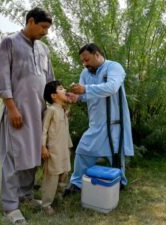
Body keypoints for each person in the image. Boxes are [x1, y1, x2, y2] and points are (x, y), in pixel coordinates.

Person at [0, 7, 54, 224]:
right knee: (11, 158)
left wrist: (59, 105)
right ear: (30, 21)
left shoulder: (44, 50)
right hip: (16, 112)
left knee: (32, 156)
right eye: (43, 27)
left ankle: (26, 196)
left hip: (38, 111)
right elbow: (1, 78)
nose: (46, 32)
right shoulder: (9, 42)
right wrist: (11, 108)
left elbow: (49, 84)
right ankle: (10, 206)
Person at [64, 43, 134, 195]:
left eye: (87, 60)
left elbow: (112, 87)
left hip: (115, 121)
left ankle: (119, 182)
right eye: (82, 61)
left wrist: (86, 89)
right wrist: (76, 97)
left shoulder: (114, 67)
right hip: (96, 122)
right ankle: (76, 183)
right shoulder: (85, 73)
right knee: (83, 150)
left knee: (115, 155)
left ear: (97, 54)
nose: (85, 64)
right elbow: (84, 95)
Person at [40, 81, 73, 215]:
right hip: (53, 150)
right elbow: (44, 130)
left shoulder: (63, 110)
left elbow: (65, 130)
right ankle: (46, 204)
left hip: (64, 148)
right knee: (52, 176)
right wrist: (43, 147)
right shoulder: (51, 110)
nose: (64, 89)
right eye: (61, 88)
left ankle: (58, 196)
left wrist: (69, 146)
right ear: (54, 96)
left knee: (64, 173)